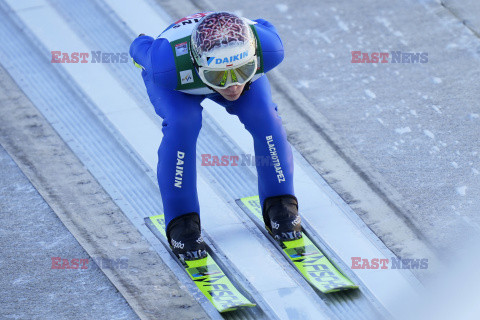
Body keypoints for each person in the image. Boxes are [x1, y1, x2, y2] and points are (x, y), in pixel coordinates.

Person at [130, 12, 301, 261]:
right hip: (180, 81)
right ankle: (182, 221)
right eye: (218, 75)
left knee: (266, 118)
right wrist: (141, 42)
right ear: (199, 65)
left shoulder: (269, 47)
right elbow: (139, 48)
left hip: (198, 69)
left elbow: (262, 25)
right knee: (182, 124)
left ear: (255, 57)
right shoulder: (165, 63)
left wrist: (226, 74)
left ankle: (281, 201)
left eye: (242, 71)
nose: (232, 86)